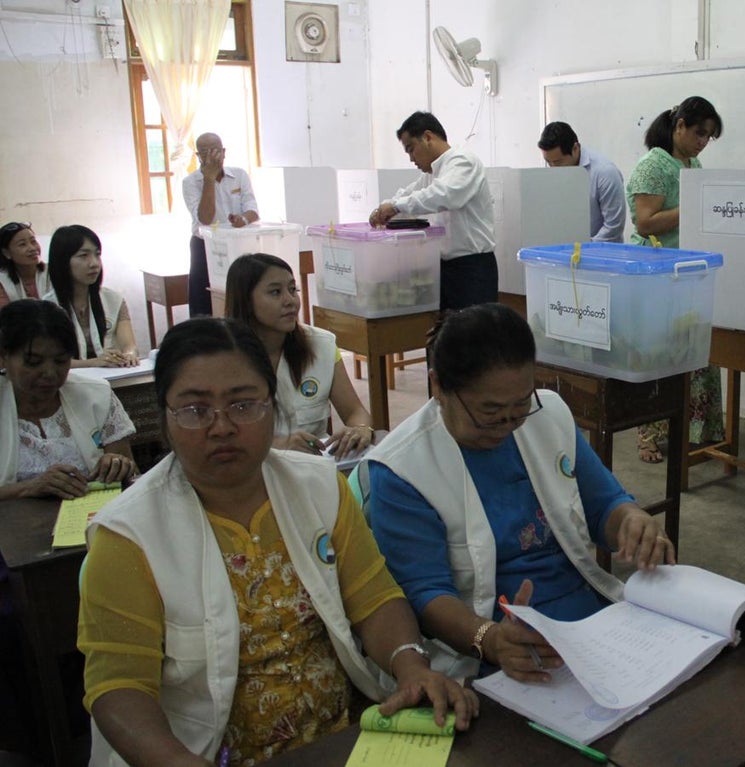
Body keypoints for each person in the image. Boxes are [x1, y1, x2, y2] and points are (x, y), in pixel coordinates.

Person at [78, 317, 477, 766]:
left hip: (344, 737)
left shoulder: (319, 485)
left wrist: (411, 665)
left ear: (273, 405)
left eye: (243, 405)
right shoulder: (128, 535)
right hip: (203, 753)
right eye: (194, 409)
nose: (222, 426)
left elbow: (375, 598)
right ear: (165, 420)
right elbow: (120, 688)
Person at [365, 303, 675, 683]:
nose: (509, 424)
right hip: (485, 645)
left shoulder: (549, 415)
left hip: (587, 622)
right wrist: (491, 640)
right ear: (438, 387)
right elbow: (426, 595)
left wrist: (632, 521)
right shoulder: (403, 469)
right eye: (491, 411)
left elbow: (603, 505)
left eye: (520, 405)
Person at [626, 95, 725, 463]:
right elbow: (645, 222)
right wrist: (694, 210)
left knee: (695, 351)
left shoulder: (693, 163)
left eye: (708, 136)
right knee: (659, 354)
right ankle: (648, 435)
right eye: (698, 132)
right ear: (679, 126)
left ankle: (696, 431)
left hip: (689, 271)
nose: (702, 142)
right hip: (656, 271)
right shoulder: (654, 164)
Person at [225, 253, 374, 459]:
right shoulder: (221, 358)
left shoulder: (321, 345)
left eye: (293, 289)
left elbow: (354, 411)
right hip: (252, 471)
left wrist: (360, 428)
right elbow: (218, 438)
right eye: (275, 292)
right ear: (246, 301)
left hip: (314, 469)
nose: (290, 301)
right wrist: (277, 446)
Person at [0, 299, 138, 502]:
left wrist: (117, 466)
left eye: (61, 360)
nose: (49, 373)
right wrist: (28, 488)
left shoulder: (95, 396)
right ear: (4, 356)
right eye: (33, 362)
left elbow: (129, 469)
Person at [369, 112, 497, 311]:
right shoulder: (433, 173)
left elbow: (443, 195)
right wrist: (385, 209)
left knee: (475, 337)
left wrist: (395, 207)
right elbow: (410, 194)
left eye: (411, 149)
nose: (411, 159)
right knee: (447, 337)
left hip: (472, 270)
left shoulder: (463, 161)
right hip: (444, 269)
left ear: (428, 137)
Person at [182, 132, 259, 317]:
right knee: (205, 303)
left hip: (237, 244)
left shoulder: (239, 175)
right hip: (205, 247)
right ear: (198, 156)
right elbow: (205, 219)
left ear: (224, 152)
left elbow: (253, 210)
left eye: (215, 151)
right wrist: (209, 178)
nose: (211, 157)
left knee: (240, 299)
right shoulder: (190, 182)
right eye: (204, 152)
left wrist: (243, 220)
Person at [47, 225, 139, 368]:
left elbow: (129, 345)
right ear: (62, 261)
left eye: (97, 254)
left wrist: (129, 355)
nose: (95, 263)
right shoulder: (47, 307)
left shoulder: (113, 300)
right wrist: (93, 363)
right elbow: (51, 361)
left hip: (111, 376)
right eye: (83, 256)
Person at [537, 121, 626, 242]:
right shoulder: (556, 171)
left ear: (575, 148)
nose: (553, 167)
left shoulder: (605, 173)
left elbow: (614, 227)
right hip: (566, 251)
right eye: (548, 162)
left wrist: (583, 249)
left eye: (558, 162)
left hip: (601, 254)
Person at [0, 222, 54, 307]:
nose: (32, 248)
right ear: (6, 253)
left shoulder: (54, 271)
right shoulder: (2, 281)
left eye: (33, 241)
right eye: (22, 244)